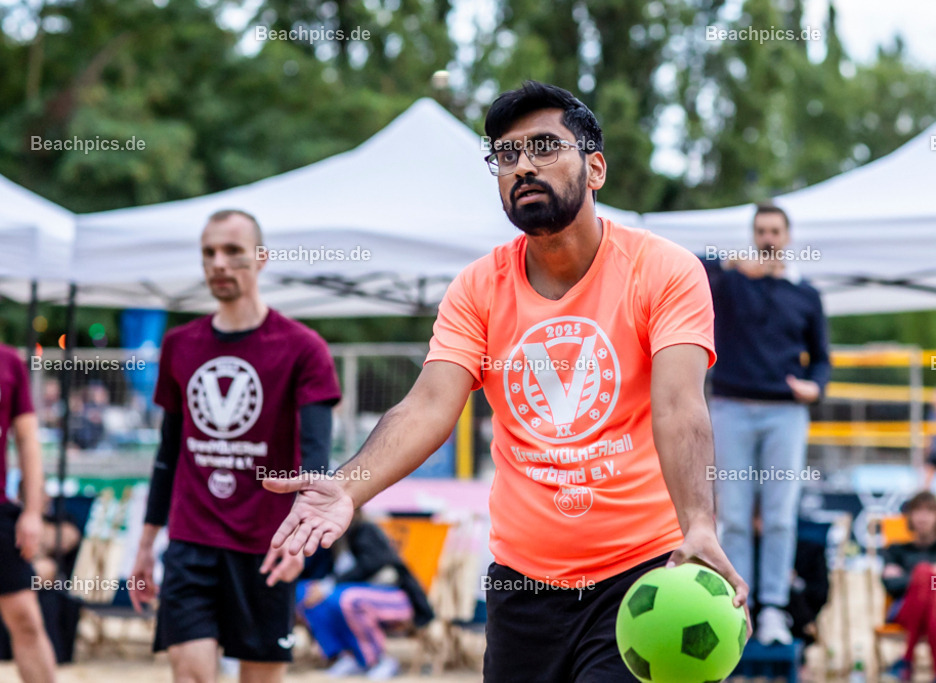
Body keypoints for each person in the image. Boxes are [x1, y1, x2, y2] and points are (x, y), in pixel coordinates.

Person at [263, 81, 750, 682]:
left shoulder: (664, 270)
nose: (522, 165)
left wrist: (700, 523)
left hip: (640, 577)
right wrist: (349, 486)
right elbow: (426, 409)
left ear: (595, 167)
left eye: (545, 146)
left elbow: (679, 407)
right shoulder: (477, 287)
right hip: (522, 587)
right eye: (505, 154)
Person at [128, 209, 342, 683]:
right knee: (193, 673)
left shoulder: (303, 348)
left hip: (266, 546)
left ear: (261, 259)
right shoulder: (180, 345)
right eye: (209, 253)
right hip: (191, 542)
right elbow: (167, 455)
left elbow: (316, 461)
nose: (218, 263)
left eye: (232, 252)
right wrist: (145, 546)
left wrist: (299, 544)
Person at [701, 203, 831, 645]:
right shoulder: (731, 282)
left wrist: (816, 387)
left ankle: (774, 607)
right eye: (760, 230)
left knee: (779, 515)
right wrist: (730, 262)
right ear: (752, 234)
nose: (768, 237)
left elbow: (823, 359)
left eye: (775, 230)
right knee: (734, 515)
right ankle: (741, 604)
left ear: (788, 236)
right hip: (732, 407)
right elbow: (689, 267)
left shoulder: (805, 294)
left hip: (785, 412)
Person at [295, 512, 433, 679]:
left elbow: (371, 564)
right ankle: (346, 655)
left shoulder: (365, 529)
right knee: (304, 593)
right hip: (344, 592)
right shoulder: (331, 538)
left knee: (346, 599)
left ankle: (379, 660)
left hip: (395, 597)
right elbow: (314, 571)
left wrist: (328, 586)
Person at [0, 343, 58, 682]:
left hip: (2, 511)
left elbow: (28, 440)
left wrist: (33, 511)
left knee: (26, 617)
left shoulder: (9, 362)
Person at [881, 491, 936, 683]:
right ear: (909, 516)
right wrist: (931, 574)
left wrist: (908, 576)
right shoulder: (896, 549)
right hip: (905, 611)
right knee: (928, 576)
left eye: (929, 511)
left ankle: (906, 659)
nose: (922, 517)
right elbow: (890, 585)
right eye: (917, 511)